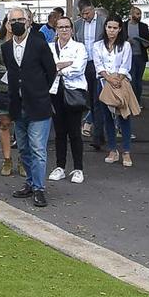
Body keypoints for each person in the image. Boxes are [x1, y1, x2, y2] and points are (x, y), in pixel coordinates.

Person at [0, 6, 56, 207]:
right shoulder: (6, 48)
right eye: (12, 20)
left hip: (39, 105)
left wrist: (39, 91)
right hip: (17, 105)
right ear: (8, 23)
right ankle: (30, 183)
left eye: (20, 20)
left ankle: (39, 188)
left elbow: (51, 72)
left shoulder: (40, 44)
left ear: (29, 21)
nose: (16, 24)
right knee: (23, 148)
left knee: (38, 148)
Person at [46, 14, 89, 185]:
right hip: (55, 92)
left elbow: (78, 69)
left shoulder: (79, 47)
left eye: (66, 27)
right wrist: (64, 64)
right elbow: (47, 68)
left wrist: (58, 67)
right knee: (59, 132)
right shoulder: (49, 47)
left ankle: (78, 168)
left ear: (72, 29)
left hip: (73, 92)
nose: (64, 30)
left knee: (75, 132)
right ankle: (60, 166)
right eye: (60, 27)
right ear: (56, 30)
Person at [92, 17, 137, 166]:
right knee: (107, 118)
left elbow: (126, 64)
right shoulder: (98, 45)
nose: (111, 30)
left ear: (119, 29)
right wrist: (108, 78)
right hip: (104, 83)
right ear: (105, 28)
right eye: (109, 27)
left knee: (124, 117)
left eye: (114, 28)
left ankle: (126, 151)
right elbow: (98, 65)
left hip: (121, 83)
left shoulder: (125, 45)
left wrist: (117, 79)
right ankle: (112, 149)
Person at [74, 1, 105, 149]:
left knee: (98, 100)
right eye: (82, 14)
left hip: (99, 65)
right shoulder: (78, 24)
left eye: (87, 13)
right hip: (84, 64)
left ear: (92, 9)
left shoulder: (103, 22)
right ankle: (98, 131)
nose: (85, 16)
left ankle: (98, 135)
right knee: (89, 101)